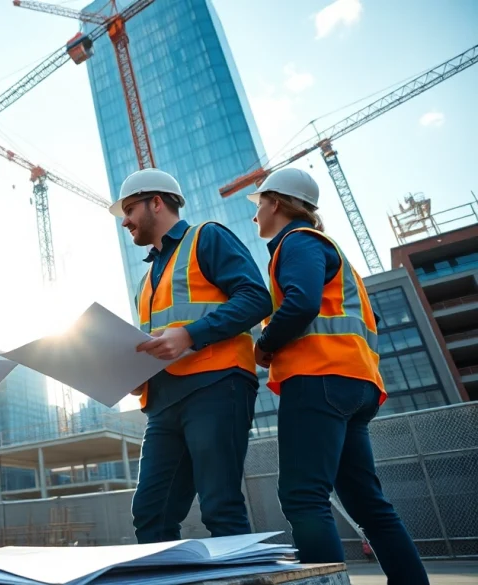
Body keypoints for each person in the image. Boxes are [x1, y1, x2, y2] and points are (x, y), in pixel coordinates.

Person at [250, 168, 429, 584]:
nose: (255, 214)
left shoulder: (297, 242)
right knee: (367, 503)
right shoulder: (327, 249)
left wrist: (264, 344)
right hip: (355, 384)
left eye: (259, 204)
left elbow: (301, 303)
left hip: (319, 379)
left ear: (276, 203)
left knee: (302, 496)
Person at [110, 168, 272, 544]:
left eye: (130, 209)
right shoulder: (146, 281)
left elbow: (255, 298)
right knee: (151, 513)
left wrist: (189, 335)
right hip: (163, 403)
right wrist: (137, 374)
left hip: (215, 386)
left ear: (156, 202)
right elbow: (160, 340)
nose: (125, 222)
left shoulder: (207, 237)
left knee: (220, 506)